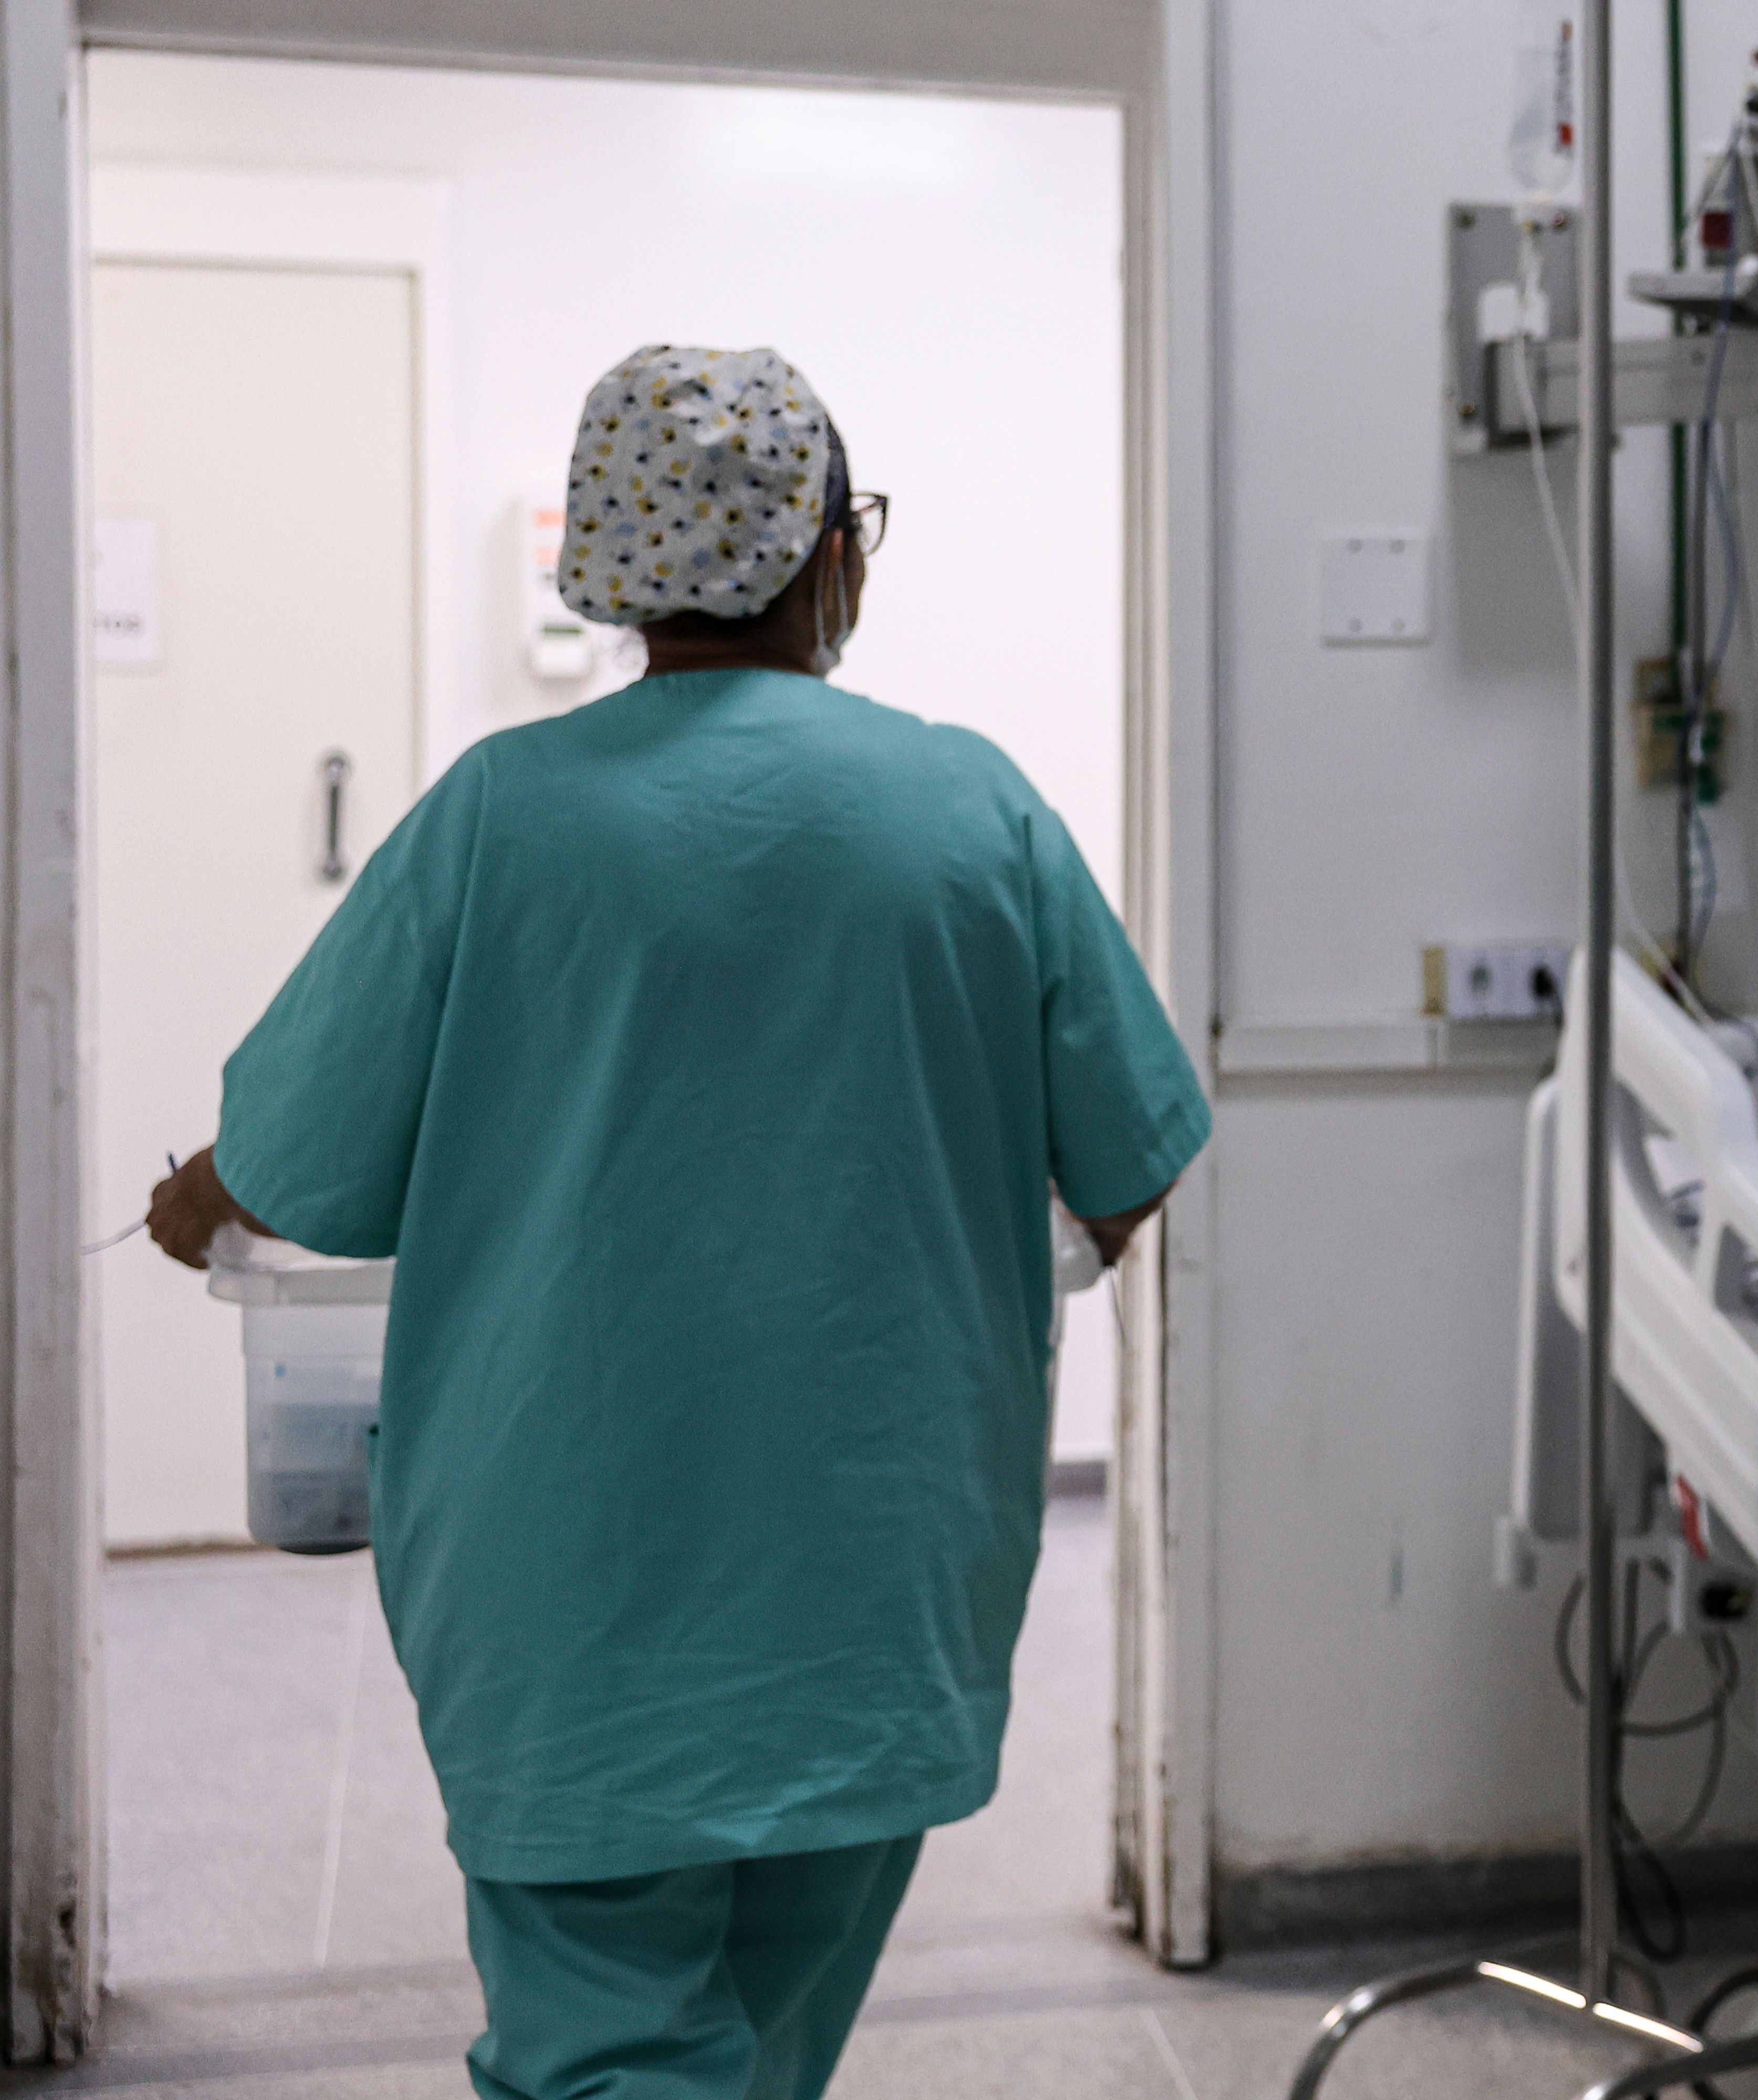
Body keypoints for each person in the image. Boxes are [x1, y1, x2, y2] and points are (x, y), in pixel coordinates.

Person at [145, 344, 1208, 2100]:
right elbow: (1131, 1161)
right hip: (879, 1577)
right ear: (830, 555)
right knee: (770, 2039)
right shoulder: (974, 809)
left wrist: (186, 1214)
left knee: (609, 2051)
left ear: (610, 572)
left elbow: (277, 1179)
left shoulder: (502, 818)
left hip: (578, 1593)